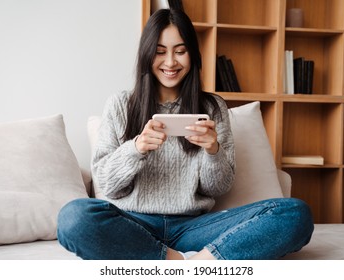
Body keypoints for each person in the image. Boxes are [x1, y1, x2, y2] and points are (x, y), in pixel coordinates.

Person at [57, 8, 314, 260]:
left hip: (194, 227)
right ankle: (176, 263)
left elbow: (218, 188)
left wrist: (213, 151)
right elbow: (107, 186)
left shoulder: (212, 108)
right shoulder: (120, 105)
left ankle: (201, 263)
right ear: (147, 55)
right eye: (160, 52)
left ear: (193, 55)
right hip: (134, 224)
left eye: (180, 51)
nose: (170, 62)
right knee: (73, 217)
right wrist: (136, 149)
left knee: (295, 213)